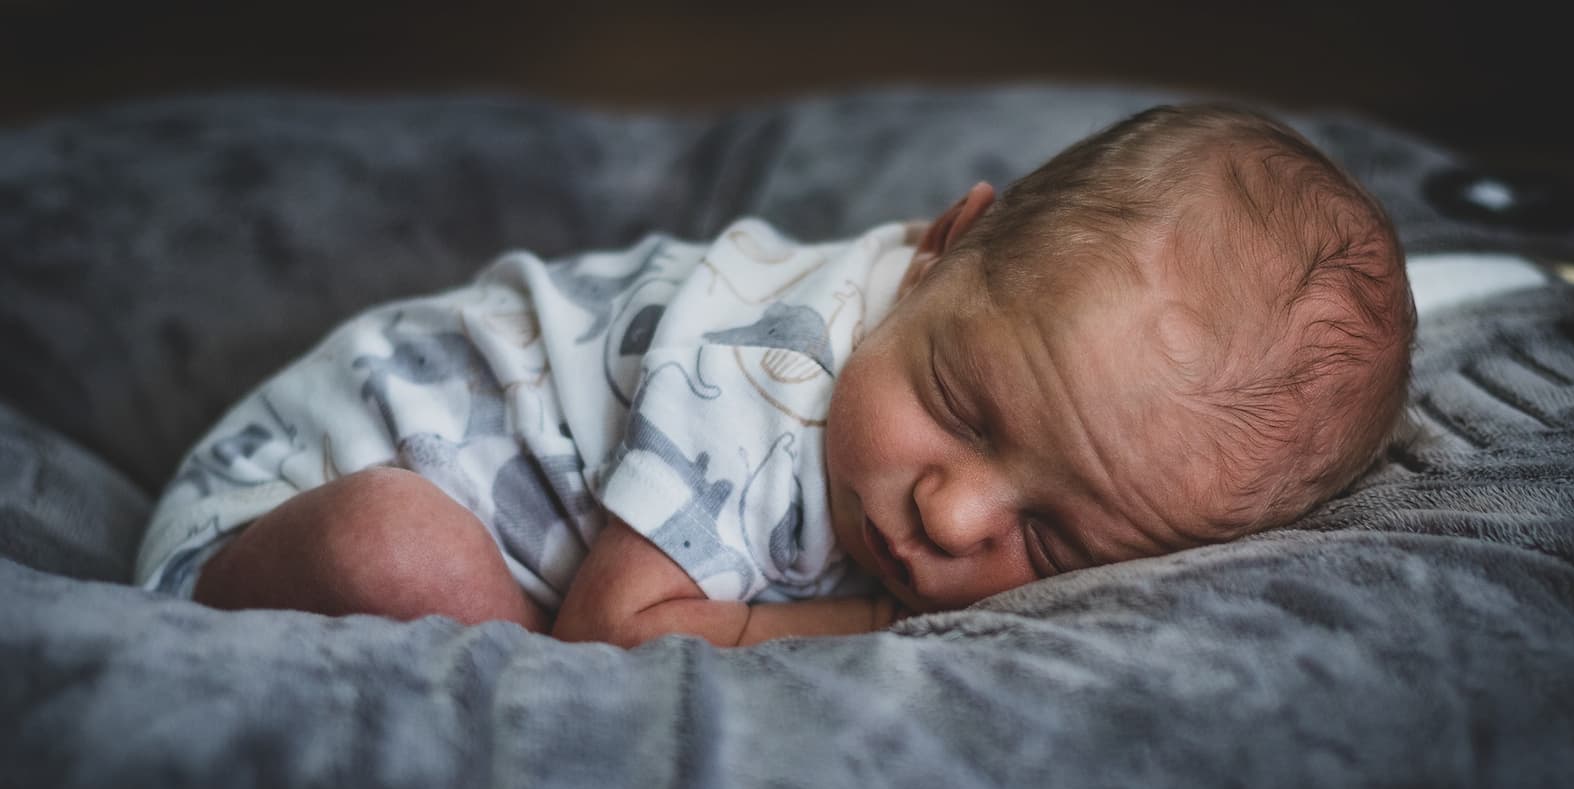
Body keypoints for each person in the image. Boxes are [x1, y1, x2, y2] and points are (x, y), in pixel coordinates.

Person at [134, 102, 1416, 648]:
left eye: (1056, 536)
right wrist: (856, 626)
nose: (951, 513)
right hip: (279, 505)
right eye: (961, 409)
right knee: (405, 554)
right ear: (939, 248)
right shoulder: (759, 384)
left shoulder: (972, 334)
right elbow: (612, 637)